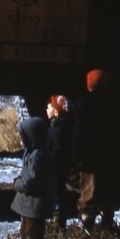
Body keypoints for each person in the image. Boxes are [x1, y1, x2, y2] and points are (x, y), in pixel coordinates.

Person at [73, 69, 120, 234]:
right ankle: (107, 221)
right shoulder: (112, 104)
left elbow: (78, 133)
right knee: (106, 190)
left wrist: (77, 155)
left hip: (88, 159)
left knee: (88, 192)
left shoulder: (83, 104)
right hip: (106, 156)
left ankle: (87, 224)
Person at [11, 105, 53, 239]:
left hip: (35, 204)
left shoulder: (38, 156)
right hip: (28, 204)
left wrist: (18, 183)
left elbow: (32, 180)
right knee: (25, 231)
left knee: (33, 234)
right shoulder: (31, 153)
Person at [45, 94, 75, 229]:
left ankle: (59, 218)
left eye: (49, 107)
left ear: (56, 111)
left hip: (56, 166)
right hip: (59, 165)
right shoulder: (60, 126)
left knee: (58, 192)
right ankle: (59, 217)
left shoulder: (58, 128)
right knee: (58, 191)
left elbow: (56, 150)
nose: (46, 110)